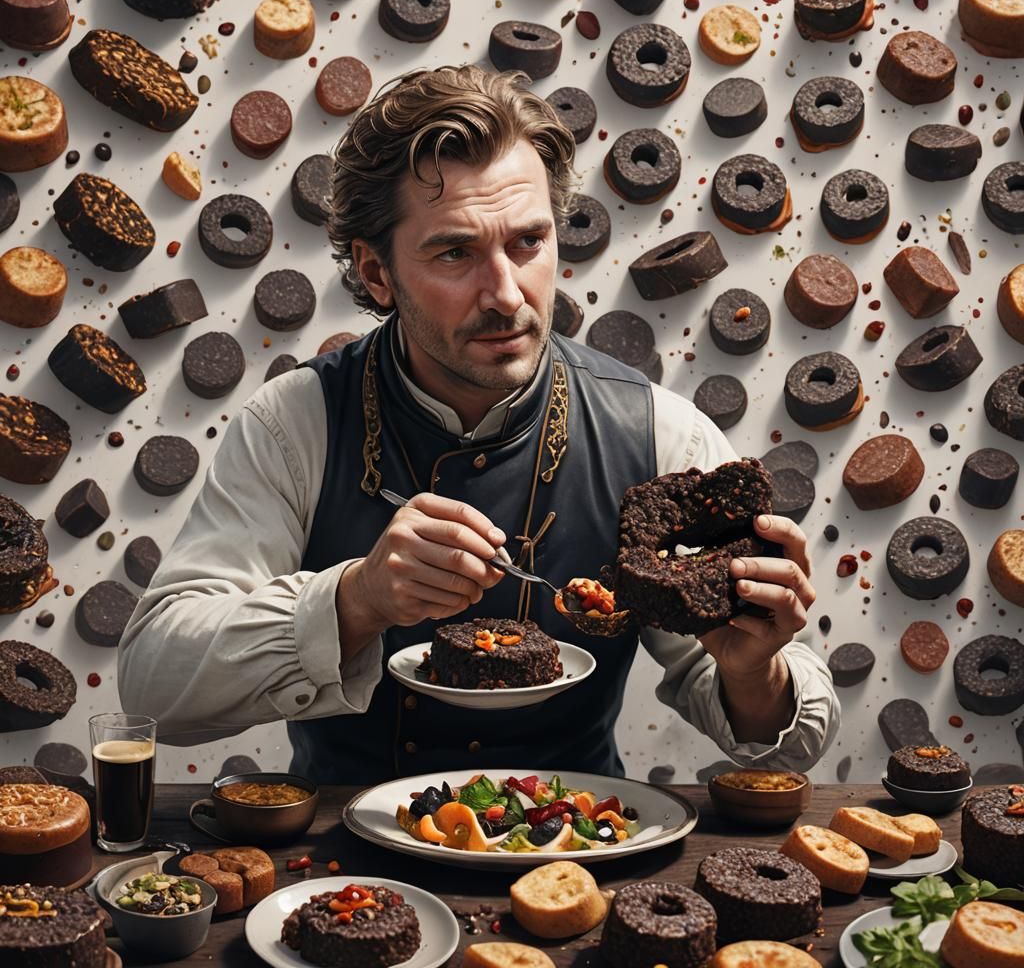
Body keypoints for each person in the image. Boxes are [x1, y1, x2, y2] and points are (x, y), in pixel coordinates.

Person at [118, 65, 839, 785]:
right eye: (456, 252)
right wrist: (355, 600)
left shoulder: (658, 435)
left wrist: (753, 672)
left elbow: (795, 749)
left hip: (579, 854)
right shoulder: (293, 426)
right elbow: (154, 685)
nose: (505, 293)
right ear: (375, 274)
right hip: (347, 864)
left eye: (528, 242)